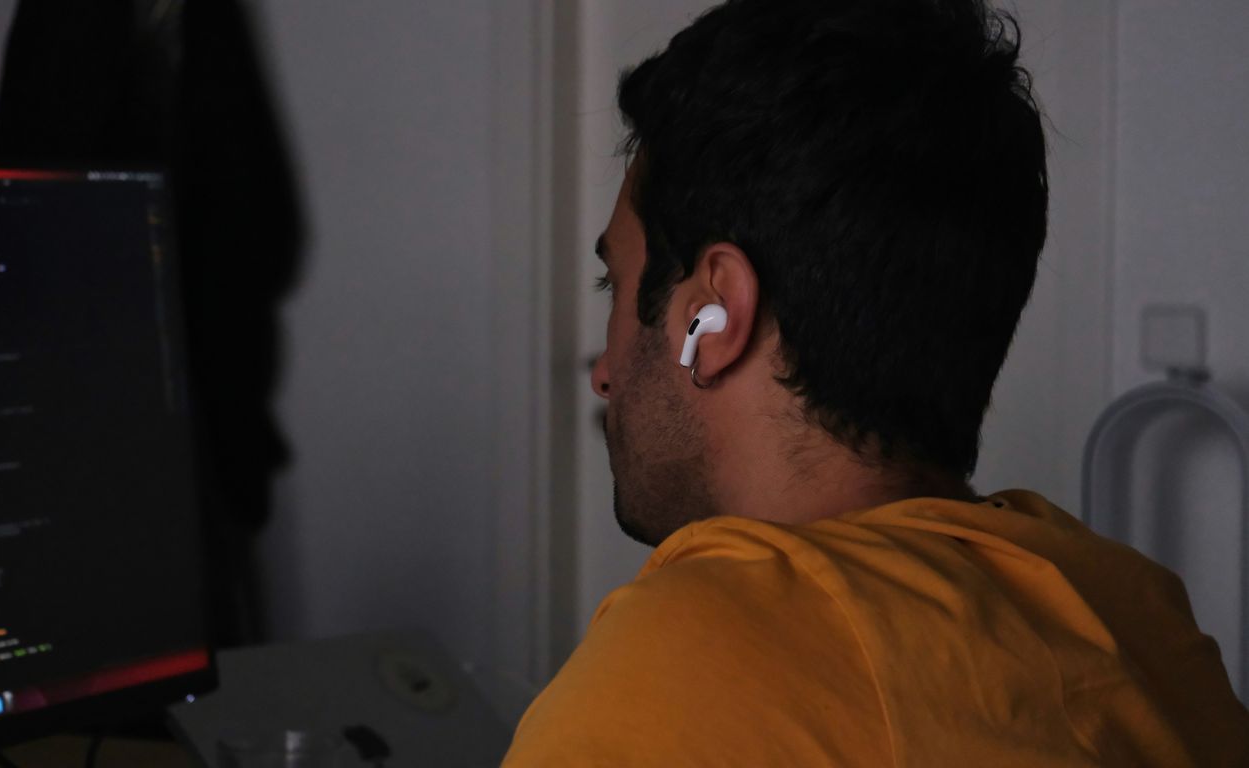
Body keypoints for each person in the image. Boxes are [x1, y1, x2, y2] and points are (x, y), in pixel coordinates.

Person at [502, 0, 1249, 764]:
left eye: (616, 291)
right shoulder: (1142, 620)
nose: (603, 374)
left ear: (715, 315)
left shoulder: (671, 684)